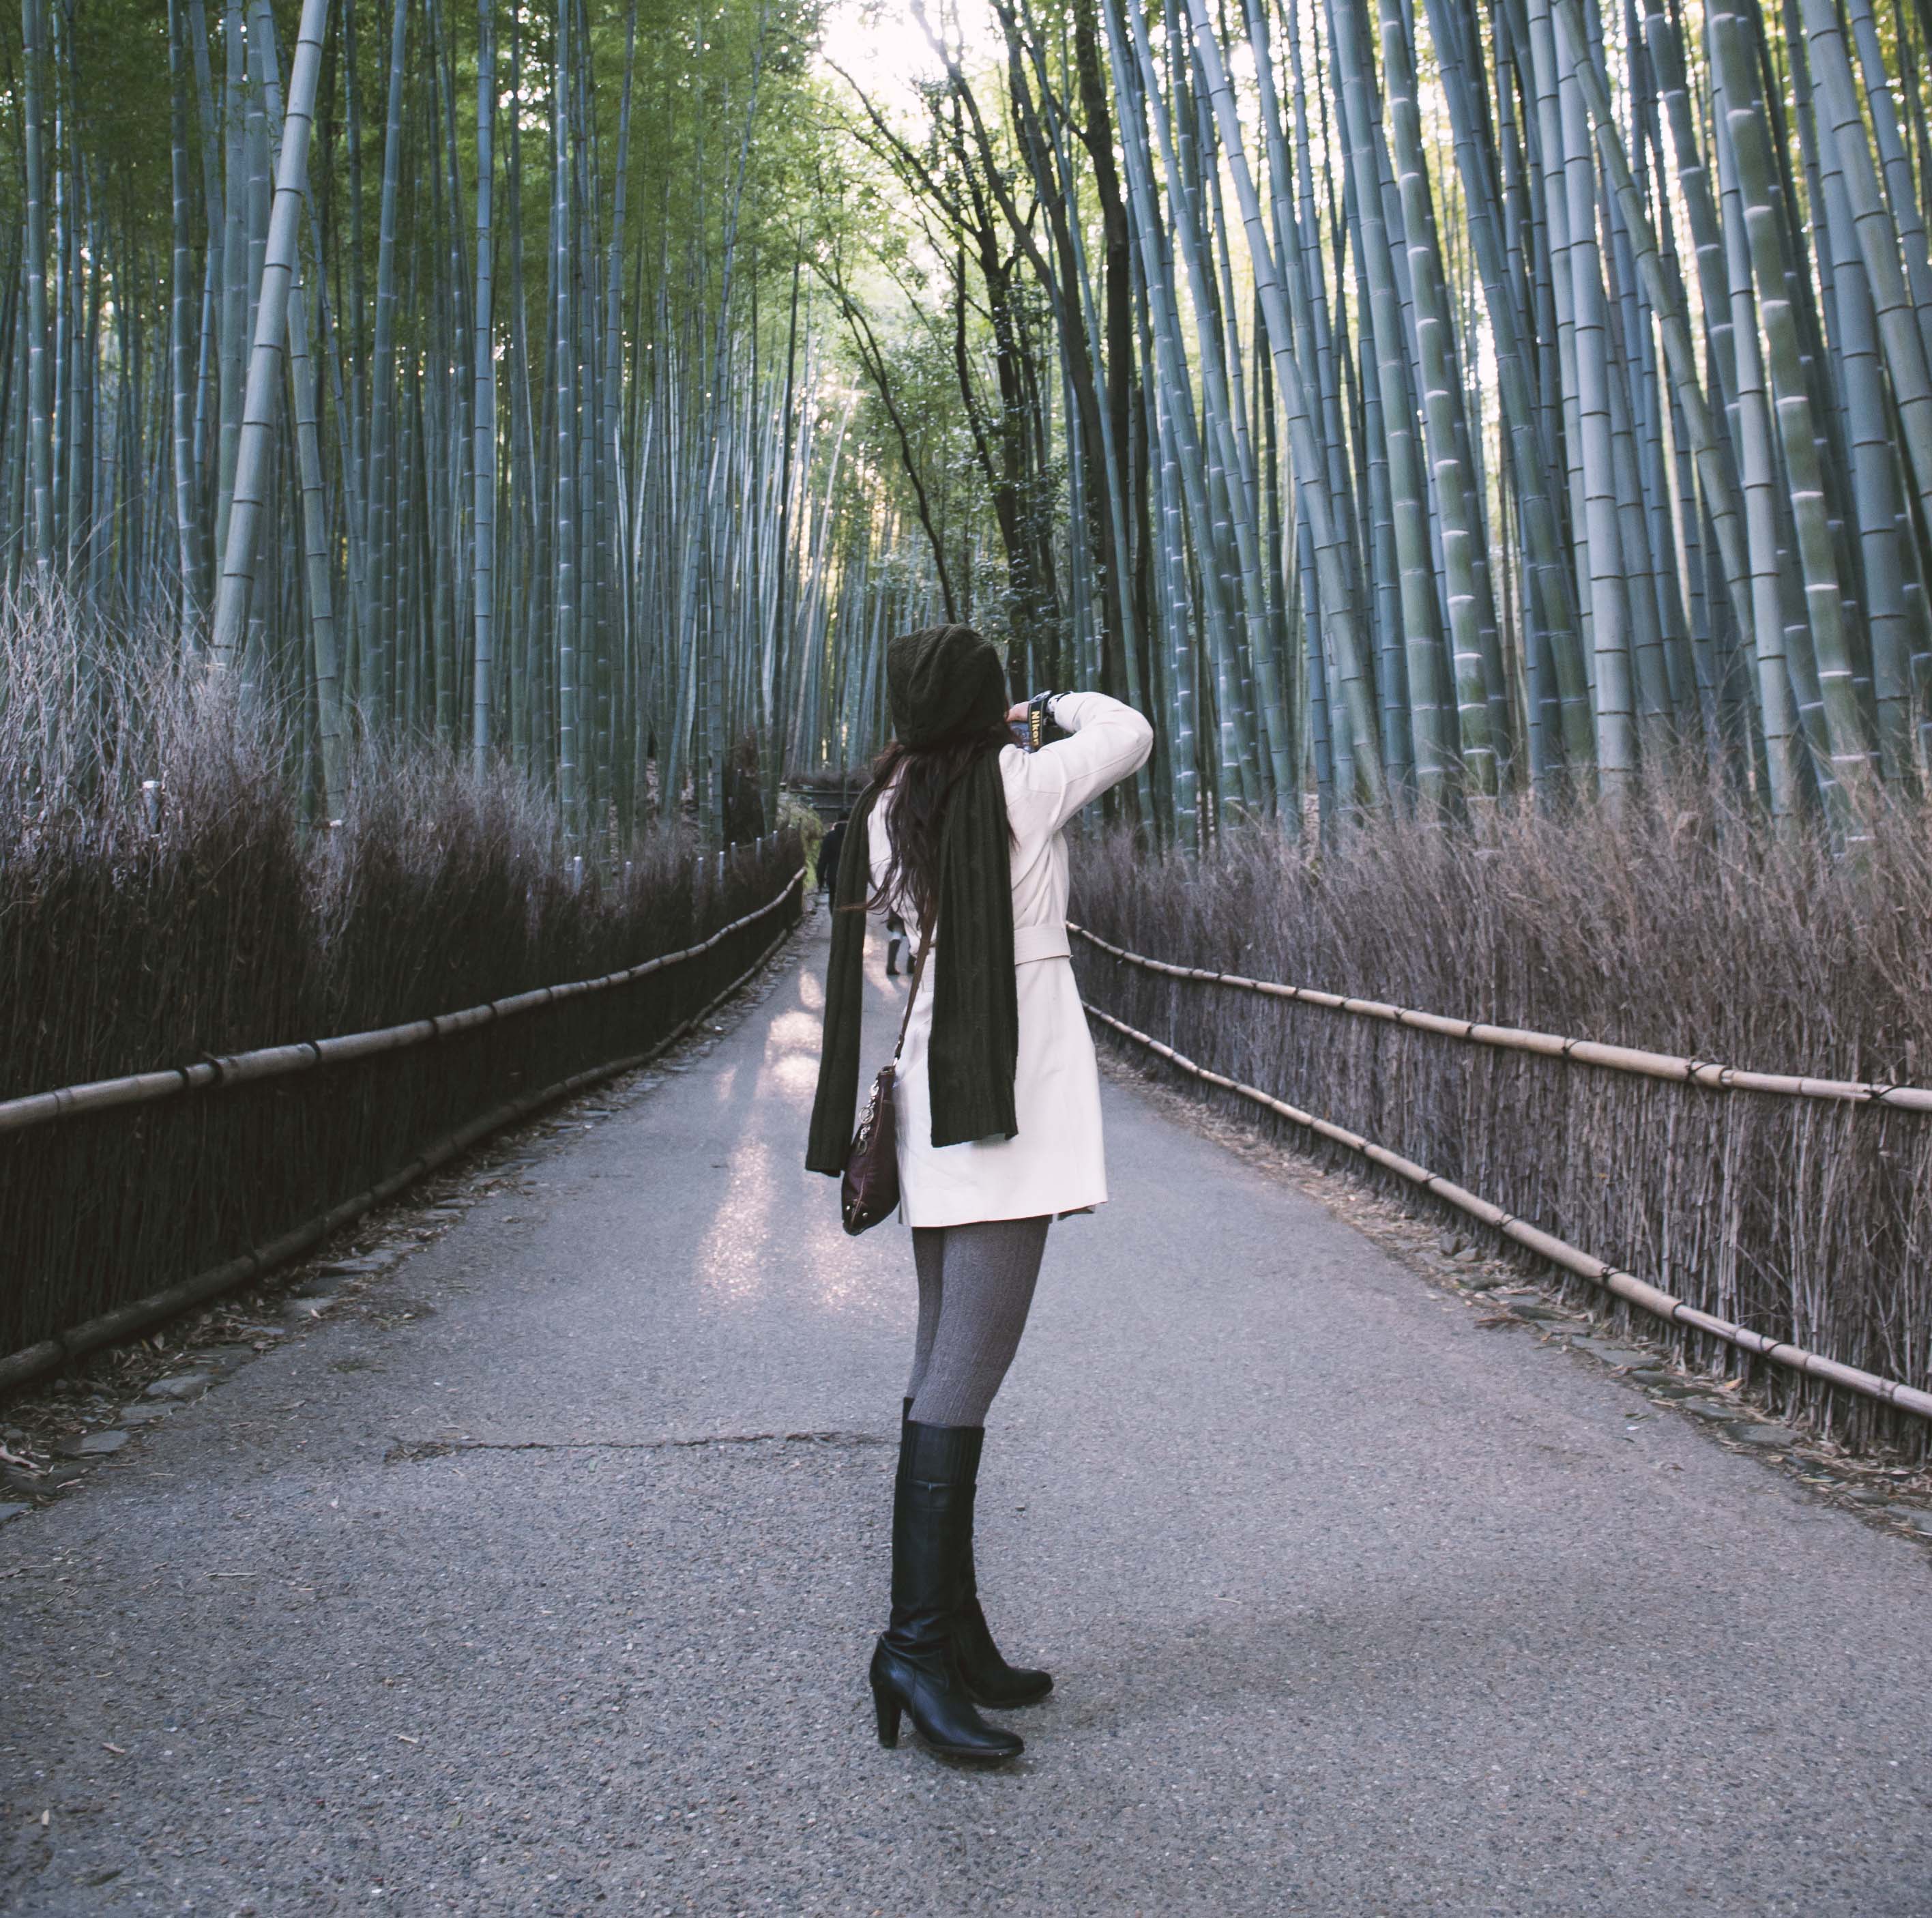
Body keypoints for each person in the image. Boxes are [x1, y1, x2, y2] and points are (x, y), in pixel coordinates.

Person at [807, 624, 1153, 1766]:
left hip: (935, 1104)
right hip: (1002, 1105)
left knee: (936, 1359)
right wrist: (1039, 708)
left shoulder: (883, 810)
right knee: (964, 1371)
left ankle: (951, 1635)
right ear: (985, 705)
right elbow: (1129, 730)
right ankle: (910, 1645)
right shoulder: (1022, 782)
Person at [817, 813, 847, 899]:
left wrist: (820, 879)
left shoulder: (830, 836)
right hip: (852, 877)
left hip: (833, 876)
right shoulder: (856, 836)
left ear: (837, 821)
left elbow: (823, 859)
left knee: (833, 900)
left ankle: (834, 912)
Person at [883, 908, 909, 979]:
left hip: (897, 909)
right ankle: (911, 966)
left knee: (897, 933)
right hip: (912, 910)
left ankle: (890, 966)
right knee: (914, 935)